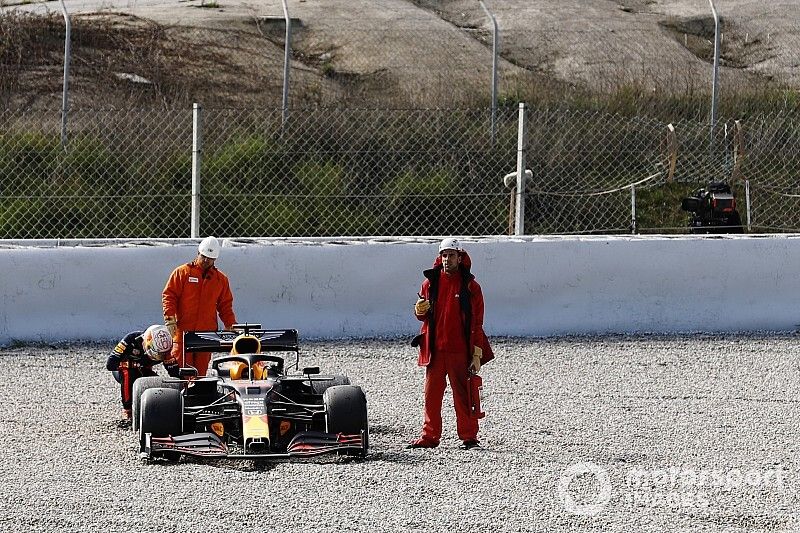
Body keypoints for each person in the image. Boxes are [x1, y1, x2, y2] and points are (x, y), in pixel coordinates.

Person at [408, 237, 494, 450]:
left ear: (460, 257)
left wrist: (476, 354)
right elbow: (424, 315)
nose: (447, 259)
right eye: (444, 255)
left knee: (464, 395)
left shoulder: (471, 287)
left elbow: (477, 322)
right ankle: (429, 437)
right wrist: (419, 310)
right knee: (431, 396)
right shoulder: (430, 283)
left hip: (459, 351)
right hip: (435, 351)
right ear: (440, 257)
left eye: (451, 255)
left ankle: (469, 437)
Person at [162, 236, 237, 376]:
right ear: (198, 253)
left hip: (206, 333)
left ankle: (199, 396)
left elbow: (225, 305)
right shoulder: (182, 273)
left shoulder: (221, 279)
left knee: (201, 373)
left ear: (215, 259)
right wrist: (169, 318)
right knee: (182, 371)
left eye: (210, 258)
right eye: (204, 257)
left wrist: (230, 324)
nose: (206, 261)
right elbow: (169, 295)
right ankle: (182, 396)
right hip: (183, 332)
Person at [106, 324, 177, 425]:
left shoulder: (166, 348)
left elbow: (173, 371)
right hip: (123, 369)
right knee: (128, 374)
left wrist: (184, 383)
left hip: (145, 370)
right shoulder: (130, 339)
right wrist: (134, 365)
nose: (160, 356)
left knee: (158, 383)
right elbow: (110, 364)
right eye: (158, 354)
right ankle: (128, 410)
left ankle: (152, 409)